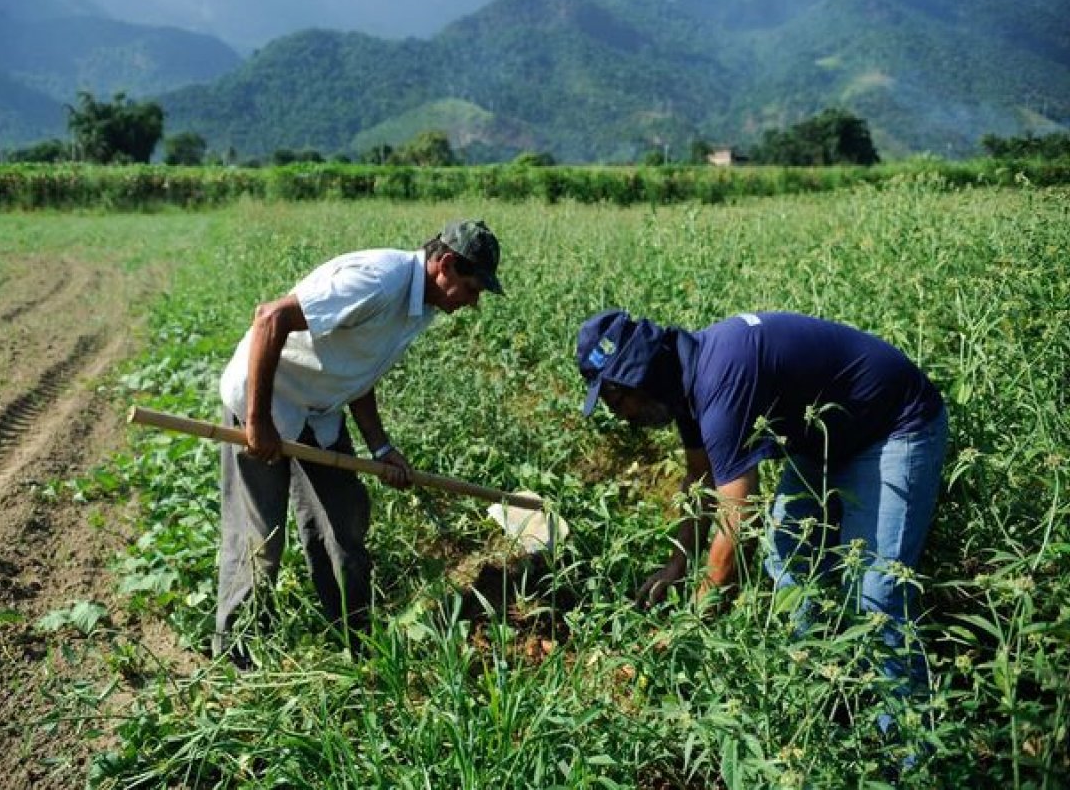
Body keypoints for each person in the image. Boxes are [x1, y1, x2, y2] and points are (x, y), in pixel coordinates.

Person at [576, 309, 948, 699]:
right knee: (788, 556)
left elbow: (739, 520)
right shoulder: (683, 383)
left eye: (614, 400)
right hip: (823, 439)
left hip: (894, 425)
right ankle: (814, 693)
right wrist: (678, 563)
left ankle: (905, 730)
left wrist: (691, 627)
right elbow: (701, 478)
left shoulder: (720, 380)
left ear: (637, 377)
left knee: (875, 596)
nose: (619, 416)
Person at [216, 219, 503, 661]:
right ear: (445, 264)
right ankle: (238, 652)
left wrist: (381, 447)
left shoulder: (420, 307)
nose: (472, 301)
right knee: (260, 537)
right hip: (266, 398)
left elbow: (358, 371)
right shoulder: (378, 281)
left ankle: (355, 642)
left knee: (343, 522)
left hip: (319, 411)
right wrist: (257, 421)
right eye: (471, 288)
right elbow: (270, 317)